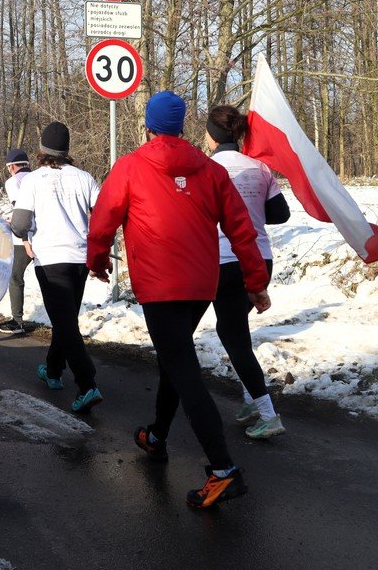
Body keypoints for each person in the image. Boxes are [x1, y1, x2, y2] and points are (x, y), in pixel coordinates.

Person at [87, 91, 270, 509]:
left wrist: (96, 262)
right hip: (201, 285)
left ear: (148, 127)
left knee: (184, 370)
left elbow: (103, 221)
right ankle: (156, 436)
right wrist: (256, 281)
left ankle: (223, 470)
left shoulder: (131, 167)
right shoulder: (209, 169)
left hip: (160, 285)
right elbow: (242, 230)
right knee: (176, 359)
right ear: (183, 126)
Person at [205, 105, 291, 439]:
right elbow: (280, 213)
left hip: (224, 259)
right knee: (235, 330)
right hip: (261, 258)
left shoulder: (206, 168)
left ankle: (268, 413)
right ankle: (251, 401)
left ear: (212, 134)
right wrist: (251, 211)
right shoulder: (260, 167)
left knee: (232, 335)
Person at [11, 122, 102, 413]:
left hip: (50, 259)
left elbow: (21, 224)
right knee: (65, 320)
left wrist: (18, 232)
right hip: (79, 259)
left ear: (41, 150)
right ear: (67, 149)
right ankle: (52, 371)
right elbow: (101, 214)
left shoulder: (32, 181)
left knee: (65, 323)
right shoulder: (85, 177)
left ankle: (88, 384)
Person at [0, 148, 32, 335]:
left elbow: (21, 210)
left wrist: (22, 234)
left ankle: (17, 321)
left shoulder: (13, 182)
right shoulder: (37, 178)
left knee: (15, 277)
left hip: (24, 238)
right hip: (47, 236)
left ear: (11, 167)